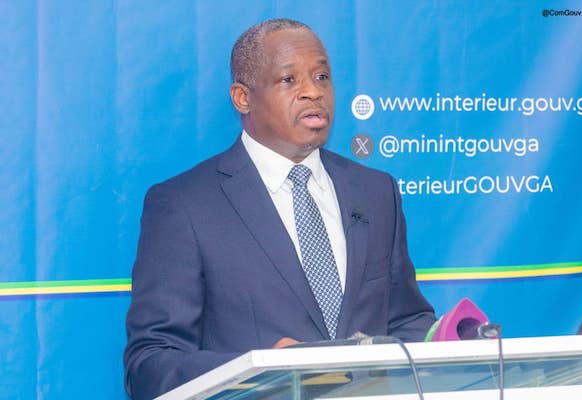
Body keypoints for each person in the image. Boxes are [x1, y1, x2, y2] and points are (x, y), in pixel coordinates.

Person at [124, 18, 435, 400]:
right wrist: (261, 370)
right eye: (289, 80)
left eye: (322, 77)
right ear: (243, 98)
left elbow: (407, 319)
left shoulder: (376, 191)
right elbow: (150, 364)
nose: (313, 92)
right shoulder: (184, 205)